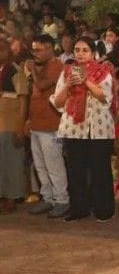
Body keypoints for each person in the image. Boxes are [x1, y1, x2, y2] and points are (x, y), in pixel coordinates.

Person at [50, 37, 116, 222]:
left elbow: (105, 98)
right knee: (75, 170)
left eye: (84, 50)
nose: (80, 54)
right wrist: (69, 85)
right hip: (73, 128)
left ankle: (103, 210)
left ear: (93, 53)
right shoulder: (66, 72)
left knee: (99, 170)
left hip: (99, 129)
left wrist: (86, 81)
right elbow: (57, 101)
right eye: (77, 50)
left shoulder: (104, 72)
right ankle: (79, 209)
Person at [25, 35, 69, 218]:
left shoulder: (58, 66)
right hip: (36, 124)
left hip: (52, 125)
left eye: (39, 49)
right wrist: (28, 120)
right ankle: (48, 197)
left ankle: (62, 200)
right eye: (34, 49)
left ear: (51, 48)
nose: (35, 53)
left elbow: (41, 85)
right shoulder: (40, 67)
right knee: (40, 166)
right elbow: (33, 95)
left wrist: (32, 70)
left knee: (54, 165)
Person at [0, 38, 28, 214]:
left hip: (11, 121)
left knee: (12, 161)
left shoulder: (15, 70)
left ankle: (12, 197)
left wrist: (20, 126)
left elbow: (23, 98)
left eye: (2, 50)